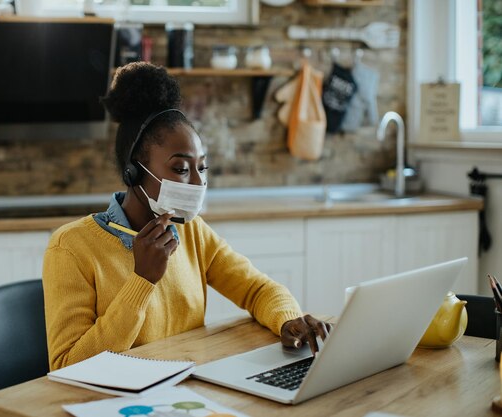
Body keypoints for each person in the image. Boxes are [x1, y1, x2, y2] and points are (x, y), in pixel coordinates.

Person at [42, 62, 331, 371]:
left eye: (201, 168)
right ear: (134, 171)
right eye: (181, 169)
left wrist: (288, 321)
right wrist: (142, 280)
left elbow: (257, 289)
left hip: (185, 394)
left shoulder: (192, 231)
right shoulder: (71, 247)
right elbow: (67, 365)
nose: (197, 182)